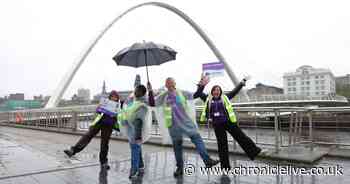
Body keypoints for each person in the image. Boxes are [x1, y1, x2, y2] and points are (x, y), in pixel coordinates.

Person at [148, 77, 219, 177]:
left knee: (180, 146)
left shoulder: (171, 95)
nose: (169, 85)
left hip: (179, 125)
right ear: (170, 84)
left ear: (172, 84)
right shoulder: (169, 95)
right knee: (194, 140)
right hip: (178, 125)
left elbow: (196, 94)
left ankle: (181, 168)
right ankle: (206, 161)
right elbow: (152, 103)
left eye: (170, 83)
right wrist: (150, 91)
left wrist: (202, 86)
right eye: (168, 83)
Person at [197, 76, 262, 170]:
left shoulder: (225, 97)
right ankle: (225, 166)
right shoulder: (207, 99)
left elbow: (234, 91)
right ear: (212, 92)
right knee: (222, 145)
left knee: (241, 137)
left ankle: (254, 151)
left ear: (220, 91)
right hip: (217, 125)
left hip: (228, 122)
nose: (216, 91)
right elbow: (199, 93)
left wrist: (242, 82)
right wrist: (201, 85)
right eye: (214, 90)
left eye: (218, 90)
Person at [63, 90, 122, 170]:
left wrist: (116, 114)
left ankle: (104, 162)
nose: (113, 98)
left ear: (117, 98)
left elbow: (121, 115)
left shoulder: (118, 106)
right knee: (87, 136)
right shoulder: (105, 102)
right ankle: (73, 150)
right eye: (112, 96)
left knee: (104, 143)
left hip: (109, 126)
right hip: (99, 122)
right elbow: (98, 111)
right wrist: (99, 107)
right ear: (110, 97)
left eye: (115, 97)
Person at [118, 85, 150, 179]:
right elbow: (127, 114)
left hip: (136, 133)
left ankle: (134, 170)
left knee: (135, 150)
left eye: (136, 91)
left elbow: (138, 121)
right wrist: (122, 105)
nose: (134, 92)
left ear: (140, 93)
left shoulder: (142, 105)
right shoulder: (135, 103)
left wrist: (138, 136)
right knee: (137, 149)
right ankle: (140, 166)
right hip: (132, 131)